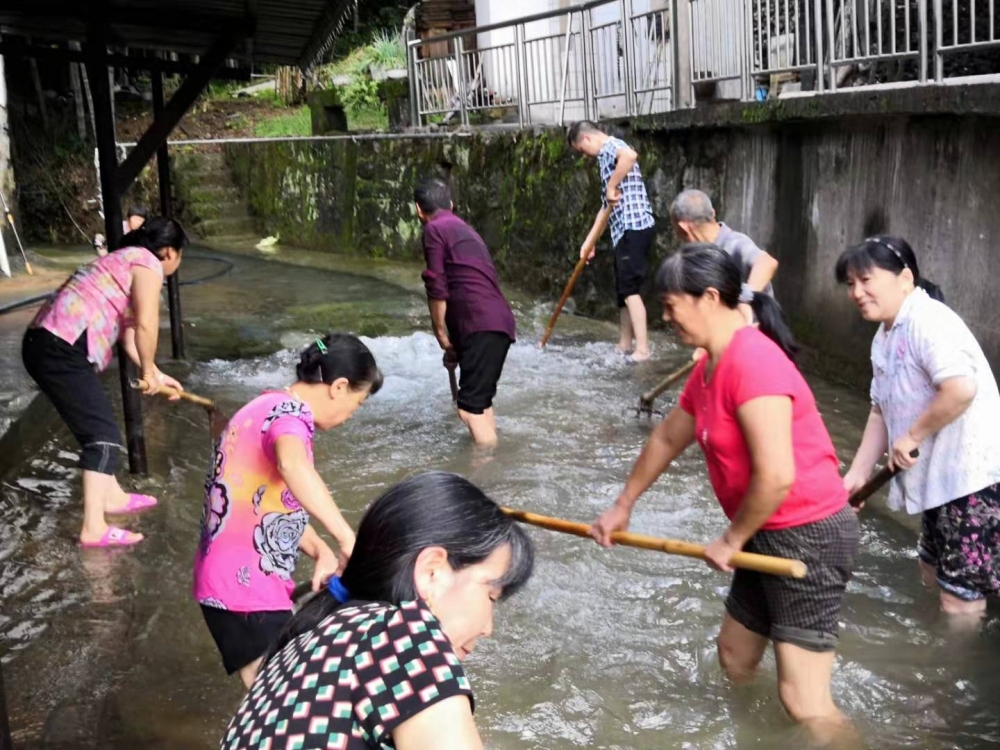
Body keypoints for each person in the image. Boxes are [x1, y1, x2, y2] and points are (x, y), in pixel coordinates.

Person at [590, 244, 859, 734]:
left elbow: (778, 475)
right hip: (765, 529)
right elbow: (669, 435)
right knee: (734, 657)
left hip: (808, 534)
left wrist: (732, 539)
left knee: (805, 701)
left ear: (709, 297)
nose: (666, 318)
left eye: (671, 307)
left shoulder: (753, 362)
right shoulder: (711, 366)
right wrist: (622, 505)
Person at [220, 471, 534, 750]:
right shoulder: (407, 643)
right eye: (491, 596)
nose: (488, 627)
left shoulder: (304, 638)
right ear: (432, 572)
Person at [193, 333, 383, 689]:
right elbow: (293, 466)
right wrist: (346, 538)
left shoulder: (264, 406)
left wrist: (319, 549)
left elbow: (264, 504)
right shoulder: (290, 416)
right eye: (357, 403)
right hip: (243, 588)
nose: (350, 414)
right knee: (282, 704)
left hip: (231, 582)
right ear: (339, 387)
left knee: (283, 698)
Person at [837, 236, 1000, 617]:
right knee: (931, 569)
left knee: (960, 595)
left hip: (973, 478)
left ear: (905, 279)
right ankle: (932, 637)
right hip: (937, 477)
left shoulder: (930, 321)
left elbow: (960, 389)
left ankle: (950, 671)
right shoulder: (885, 336)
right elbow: (880, 410)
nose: (857, 292)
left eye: (866, 280)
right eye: (850, 284)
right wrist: (859, 474)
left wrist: (911, 435)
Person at [22, 217, 187, 548]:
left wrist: (154, 371)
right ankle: (93, 528)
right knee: (102, 438)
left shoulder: (121, 260)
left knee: (99, 424)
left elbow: (129, 337)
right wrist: (147, 373)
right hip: (60, 346)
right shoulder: (148, 264)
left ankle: (111, 497)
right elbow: (145, 325)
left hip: (48, 343)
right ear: (169, 252)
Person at [415, 177, 516, 447]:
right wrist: (456, 346)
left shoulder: (434, 229)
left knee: (468, 408)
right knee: (479, 403)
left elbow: (437, 284)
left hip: (479, 325)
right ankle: (492, 455)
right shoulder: (465, 230)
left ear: (418, 209)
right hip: (498, 323)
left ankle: (487, 472)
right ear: (451, 204)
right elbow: (469, 286)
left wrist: (439, 332)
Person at [568, 121, 656, 362]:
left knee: (630, 289)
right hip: (622, 231)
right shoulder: (603, 158)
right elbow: (606, 207)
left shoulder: (611, 147)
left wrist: (611, 185)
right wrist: (590, 241)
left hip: (634, 227)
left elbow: (630, 156)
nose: (583, 156)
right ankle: (625, 343)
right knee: (622, 292)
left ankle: (643, 349)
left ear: (586, 139)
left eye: (581, 150)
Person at [670, 188, 778, 326]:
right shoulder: (703, 253)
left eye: (679, 234)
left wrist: (745, 300)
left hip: (756, 336)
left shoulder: (734, 244)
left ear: (684, 228)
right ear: (713, 212)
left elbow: (767, 263)